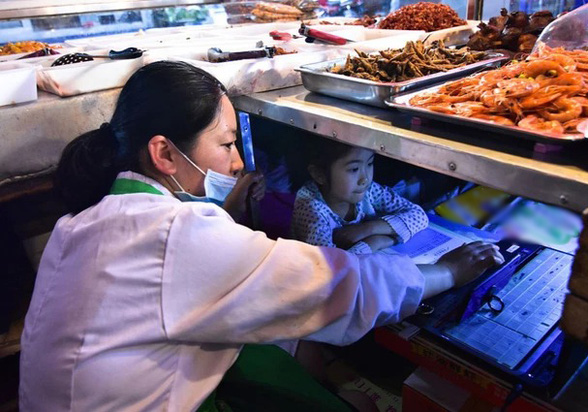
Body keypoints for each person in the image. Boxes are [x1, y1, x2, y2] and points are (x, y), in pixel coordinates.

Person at [19, 61, 504, 412]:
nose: (237, 164)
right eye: (227, 144)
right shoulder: (174, 231)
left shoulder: (84, 222)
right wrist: (445, 271)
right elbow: (339, 286)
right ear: (165, 154)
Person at [291, 139, 428, 254]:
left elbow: (418, 215)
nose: (365, 179)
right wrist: (377, 241)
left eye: (369, 164)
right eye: (354, 169)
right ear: (319, 175)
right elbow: (332, 268)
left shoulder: (367, 190)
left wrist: (368, 229)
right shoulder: (311, 209)